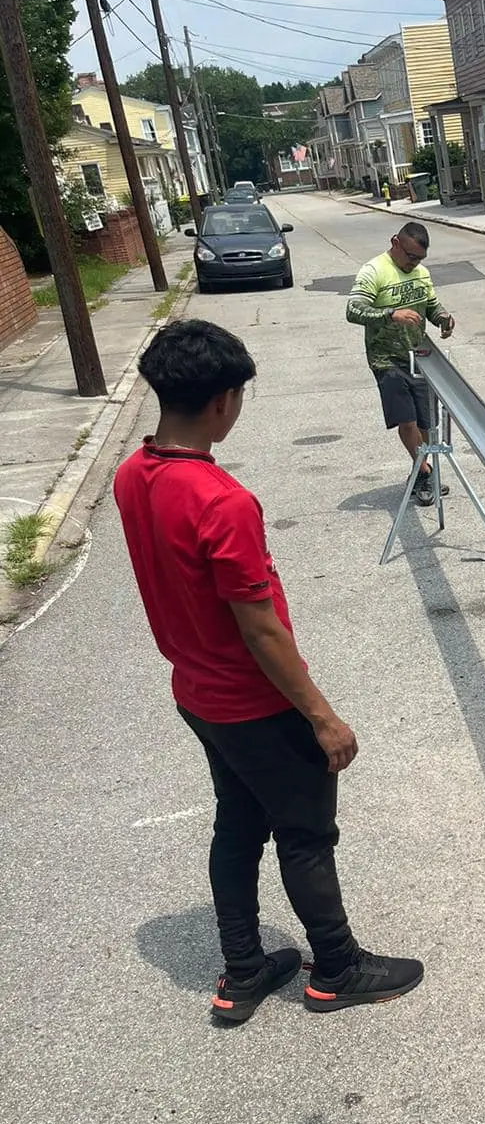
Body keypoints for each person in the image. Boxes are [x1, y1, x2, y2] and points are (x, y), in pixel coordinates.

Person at [113, 319, 424, 1024]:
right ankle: (337, 969)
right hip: (255, 704)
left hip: (198, 695)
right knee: (306, 834)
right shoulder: (222, 502)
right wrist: (321, 715)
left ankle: (244, 970)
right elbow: (260, 628)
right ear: (225, 400)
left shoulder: (133, 474)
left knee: (238, 823)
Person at [346, 221, 454, 508]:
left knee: (427, 422)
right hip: (386, 358)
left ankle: (420, 470)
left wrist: (442, 317)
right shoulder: (374, 271)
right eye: (410, 256)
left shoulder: (421, 273)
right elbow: (353, 309)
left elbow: (430, 304)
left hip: (419, 356)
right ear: (395, 242)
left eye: (420, 258)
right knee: (406, 418)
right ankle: (423, 473)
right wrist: (391, 313)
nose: (414, 263)